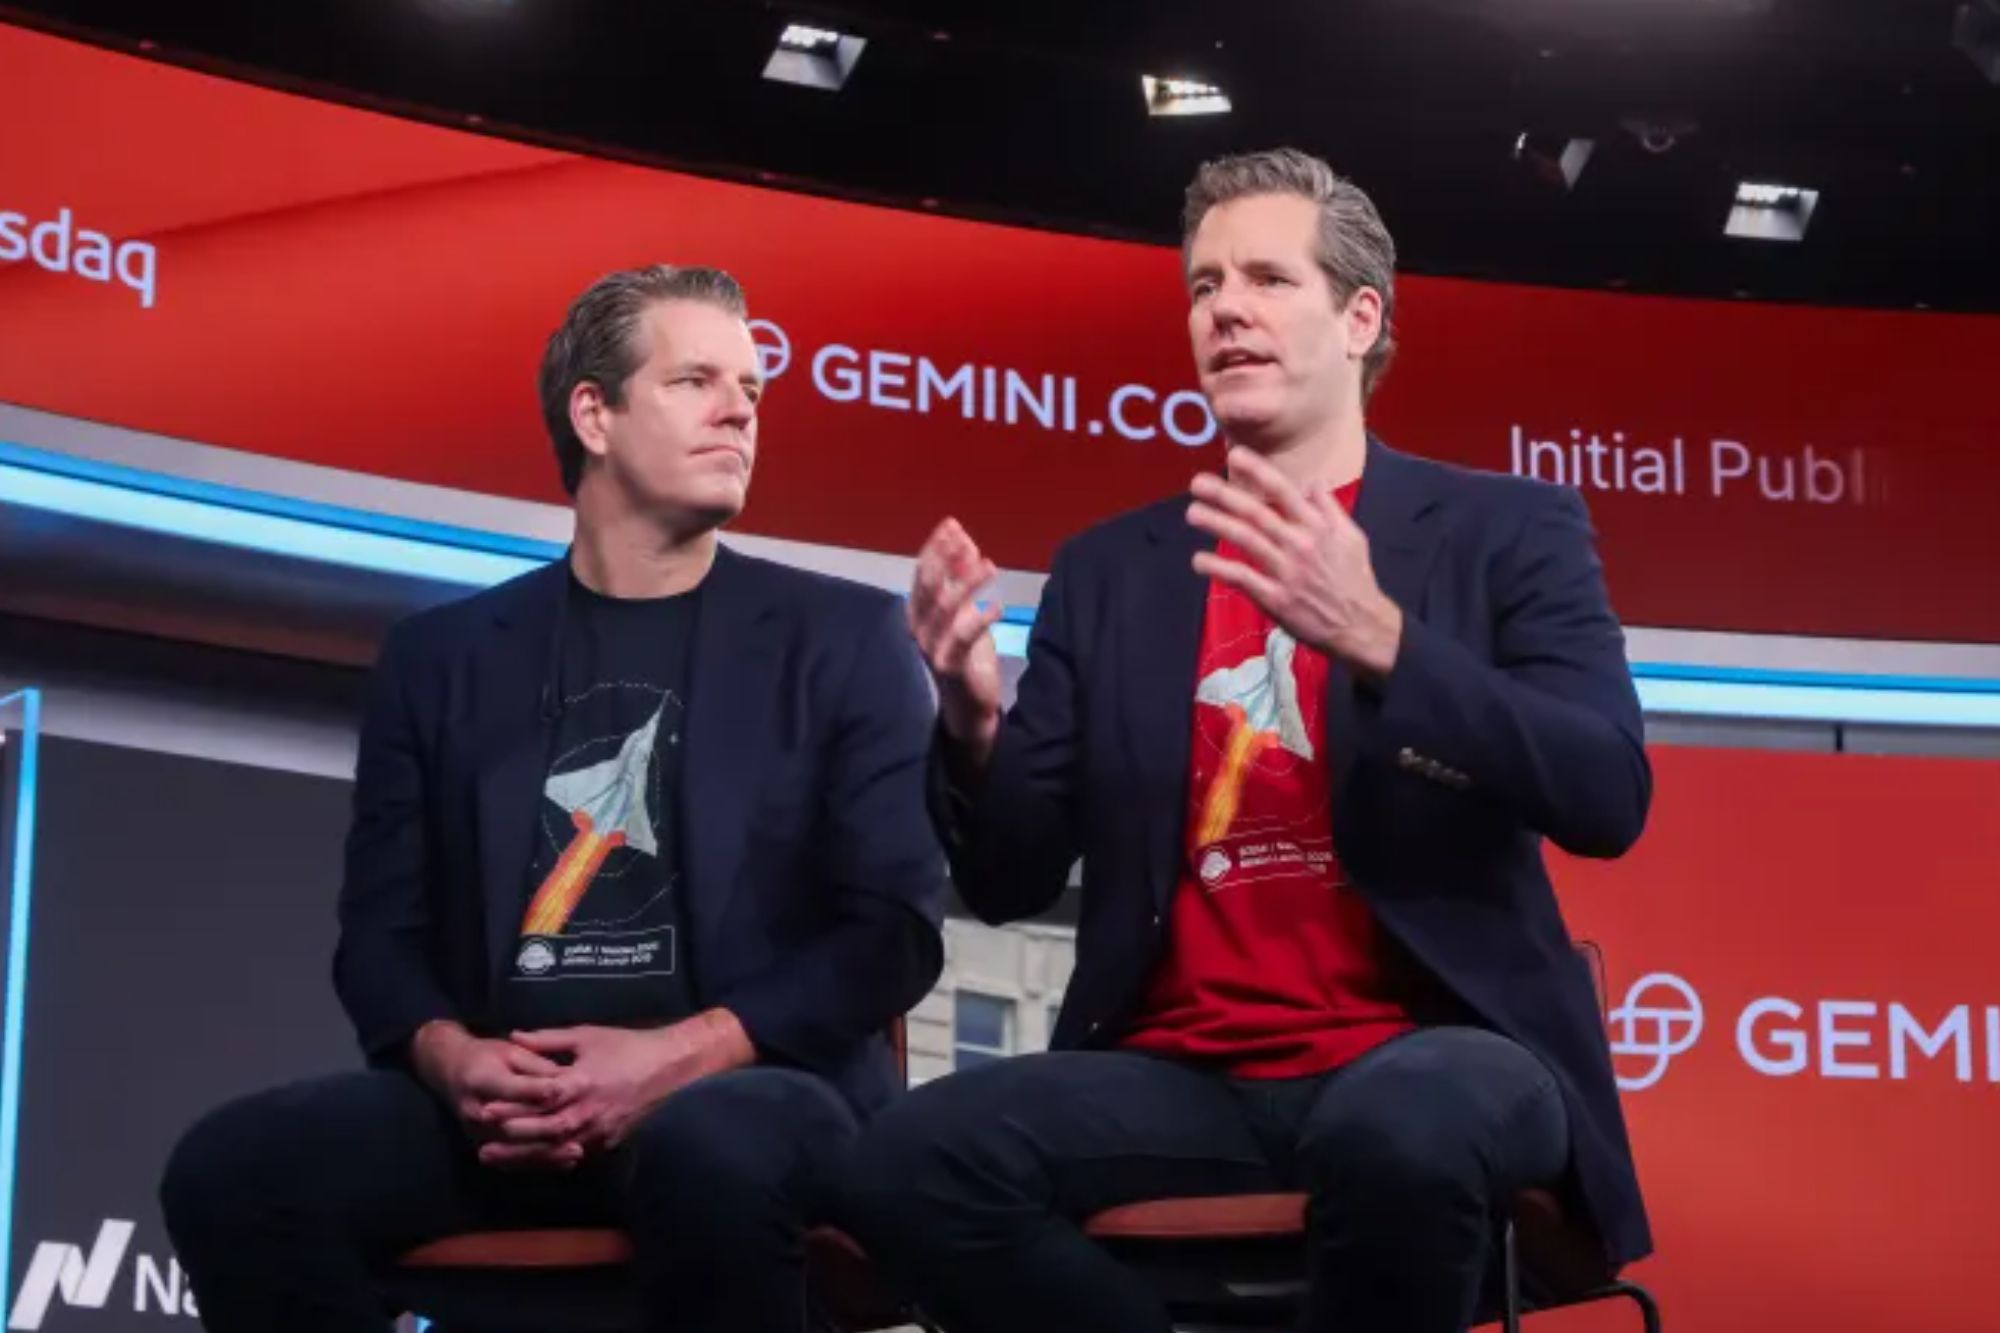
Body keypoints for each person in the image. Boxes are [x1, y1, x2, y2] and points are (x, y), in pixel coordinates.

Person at [836, 148, 1652, 1333]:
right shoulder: (1111, 570)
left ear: (1359, 319)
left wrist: (1382, 640)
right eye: (1203, 285)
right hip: (1179, 1073)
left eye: (1267, 278)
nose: (1224, 309)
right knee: (903, 1163)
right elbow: (1008, 878)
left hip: (1434, 1050)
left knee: (1397, 1132)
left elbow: (1604, 792)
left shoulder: (1503, 529)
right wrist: (968, 717)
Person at [160, 264, 947, 1333]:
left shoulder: (846, 639)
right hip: (504, 1111)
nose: (739, 411)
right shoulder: (437, 658)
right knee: (234, 1171)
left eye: (752, 389)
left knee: (709, 1149)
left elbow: (890, 934)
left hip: (748, 1094)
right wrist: (454, 1059)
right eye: (696, 381)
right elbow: (380, 936)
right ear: (594, 415)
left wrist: (674, 1057)